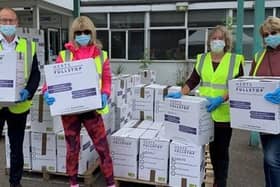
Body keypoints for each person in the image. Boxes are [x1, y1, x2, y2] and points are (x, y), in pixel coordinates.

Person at [167, 25, 244, 187]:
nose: (216, 41)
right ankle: (197, 177)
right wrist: (181, 92)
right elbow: (193, 80)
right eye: (213, 38)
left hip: (223, 114)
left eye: (220, 39)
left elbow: (238, 86)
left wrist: (220, 99)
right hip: (203, 113)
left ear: (226, 41)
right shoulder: (202, 59)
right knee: (201, 148)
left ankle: (220, 181)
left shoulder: (235, 60)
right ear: (209, 42)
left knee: (220, 152)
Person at [43, 16, 115, 187]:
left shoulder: (101, 55)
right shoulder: (64, 55)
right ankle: (73, 183)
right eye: (78, 33)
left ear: (92, 33)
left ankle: (111, 183)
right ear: (73, 34)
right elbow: (52, 80)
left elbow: (107, 79)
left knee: (102, 147)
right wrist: (47, 92)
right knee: (72, 149)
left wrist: (105, 94)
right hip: (70, 111)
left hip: (92, 109)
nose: (82, 35)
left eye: (86, 32)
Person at [0, 7, 40, 187]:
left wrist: (29, 91)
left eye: (10, 20)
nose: (7, 24)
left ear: (17, 23)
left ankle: (15, 182)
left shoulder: (28, 46)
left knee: (16, 148)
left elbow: (35, 75)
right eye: (3, 20)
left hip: (19, 106)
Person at [249, 16, 280, 187]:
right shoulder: (259, 55)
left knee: (272, 157)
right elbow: (251, 81)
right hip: (264, 116)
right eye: (266, 35)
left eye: (273, 33)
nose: (269, 37)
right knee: (268, 160)